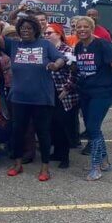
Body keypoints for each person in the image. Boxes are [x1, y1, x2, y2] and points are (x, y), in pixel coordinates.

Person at [0, 16, 66, 181]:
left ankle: (45, 168)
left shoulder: (45, 45)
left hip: (42, 98)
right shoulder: (14, 45)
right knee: (18, 132)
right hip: (19, 98)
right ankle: (17, 164)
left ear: (35, 30)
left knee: (43, 133)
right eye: (23, 28)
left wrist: (56, 65)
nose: (25, 31)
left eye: (29, 28)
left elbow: (60, 58)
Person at [73, 16, 112, 181]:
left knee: (93, 127)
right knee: (94, 127)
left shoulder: (102, 45)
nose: (82, 30)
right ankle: (105, 162)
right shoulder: (78, 47)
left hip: (103, 91)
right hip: (85, 91)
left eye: (86, 27)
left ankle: (96, 167)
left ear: (92, 28)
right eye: (79, 27)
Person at [44, 23, 78, 169]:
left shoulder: (67, 50)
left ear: (58, 34)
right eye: (44, 33)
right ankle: (57, 152)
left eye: (49, 33)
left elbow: (74, 72)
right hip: (48, 92)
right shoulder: (45, 50)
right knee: (53, 125)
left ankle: (65, 157)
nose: (46, 35)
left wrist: (67, 88)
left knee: (64, 126)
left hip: (63, 93)